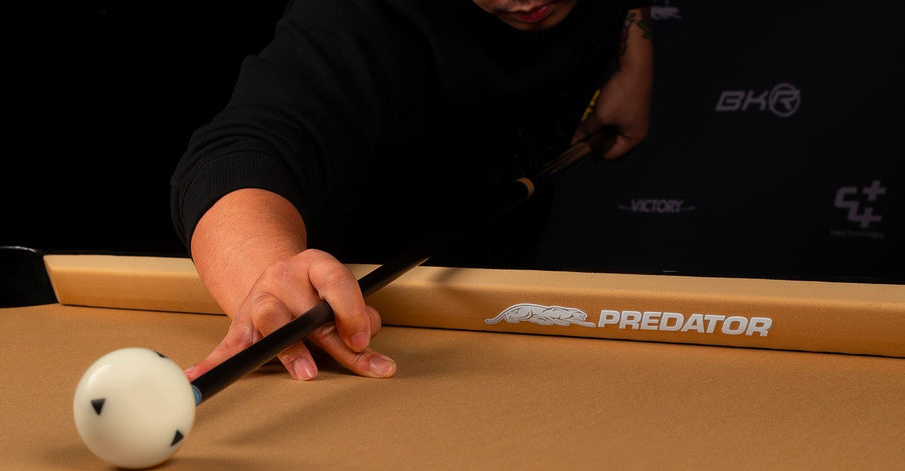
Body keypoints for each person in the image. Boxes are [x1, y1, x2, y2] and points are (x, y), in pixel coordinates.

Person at [171, 0, 653, 383]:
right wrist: (268, 270)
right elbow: (239, 152)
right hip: (364, 299)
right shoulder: (356, 16)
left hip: (506, 267)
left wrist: (635, 47)